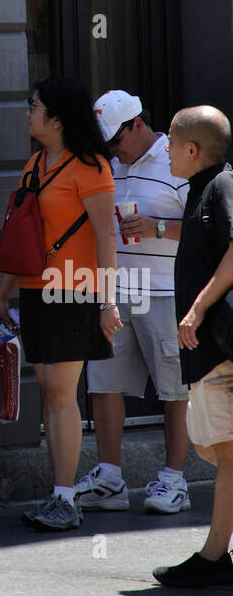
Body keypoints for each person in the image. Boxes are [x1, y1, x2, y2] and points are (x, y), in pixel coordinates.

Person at [0, 76, 122, 532]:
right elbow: (22, 236)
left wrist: (109, 302)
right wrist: (3, 297)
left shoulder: (91, 167)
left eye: (34, 106)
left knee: (62, 393)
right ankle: (60, 494)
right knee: (48, 390)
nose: (28, 113)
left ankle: (65, 499)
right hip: (35, 289)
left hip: (75, 286)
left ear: (57, 119)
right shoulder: (33, 164)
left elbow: (107, 235)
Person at [74, 90, 191, 515]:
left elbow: (203, 225)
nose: (112, 150)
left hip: (164, 291)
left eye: (115, 140)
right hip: (116, 291)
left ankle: (174, 480)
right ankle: (109, 478)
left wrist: (158, 226)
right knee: (104, 383)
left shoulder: (177, 159)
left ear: (138, 124)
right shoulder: (110, 165)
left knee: (175, 389)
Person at [153, 105, 233, 588]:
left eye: (171, 141)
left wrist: (199, 308)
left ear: (191, 149)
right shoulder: (202, 190)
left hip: (220, 347)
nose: (165, 149)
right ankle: (215, 557)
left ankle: (212, 558)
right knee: (221, 450)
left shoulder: (222, 186)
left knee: (226, 452)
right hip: (210, 352)